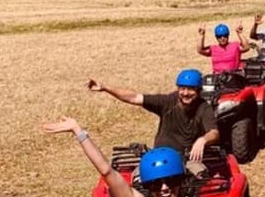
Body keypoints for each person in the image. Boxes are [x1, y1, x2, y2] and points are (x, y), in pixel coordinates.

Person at [43, 118, 208, 197]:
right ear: (148, 187)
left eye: (171, 182)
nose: (164, 189)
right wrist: (78, 131)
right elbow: (106, 171)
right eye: (156, 184)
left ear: (180, 182)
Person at [87, 69, 219, 162]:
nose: (185, 93)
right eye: (182, 88)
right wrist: (105, 88)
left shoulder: (204, 108)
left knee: (199, 178)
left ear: (198, 90)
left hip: (188, 159)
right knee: (138, 179)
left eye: (190, 89)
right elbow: (134, 98)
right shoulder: (167, 102)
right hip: (160, 157)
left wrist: (203, 140)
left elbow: (214, 132)